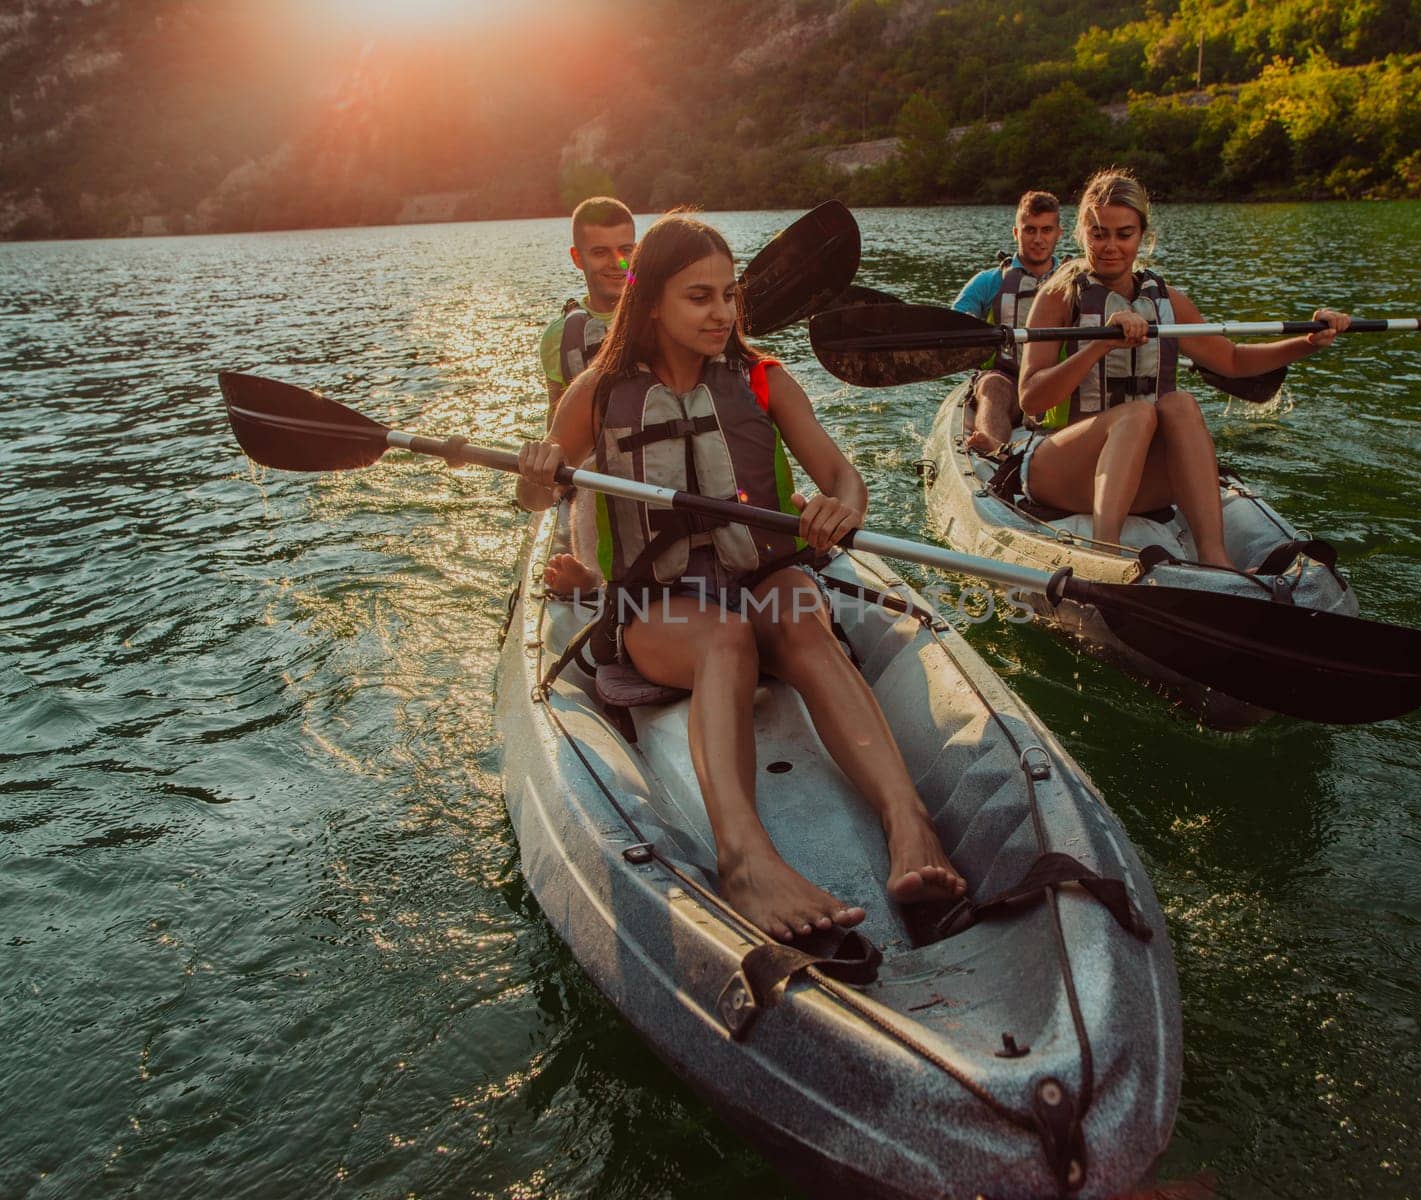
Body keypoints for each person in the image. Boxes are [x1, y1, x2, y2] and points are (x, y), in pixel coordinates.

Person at [516, 212, 965, 942]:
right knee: (726, 637)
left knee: (798, 618)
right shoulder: (596, 394)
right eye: (700, 297)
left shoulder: (762, 378)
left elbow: (843, 480)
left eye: (729, 295)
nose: (722, 311)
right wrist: (537, 474)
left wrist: (835, 511)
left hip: (761, 572)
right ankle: (747, 859)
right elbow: (535, 497)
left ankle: (910, 825)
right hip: (659, 605)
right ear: (652, 301)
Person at [1015, 169, 1351, 567]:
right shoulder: (1059, 296)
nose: (1110, 246)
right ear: (1082, 232)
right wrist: (1099, 345)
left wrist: (1308, 343)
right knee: (1137, 415)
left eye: (1124, 234)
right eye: (1098, 233)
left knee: (1180, 404)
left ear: (1143, 236)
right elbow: (1031, 398)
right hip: (1062, 470)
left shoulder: (1166, 300)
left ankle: (1215, 558)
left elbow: (1232, 359)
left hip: (1138, 478)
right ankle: (1105, 551)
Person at [538, 197, 636, 593]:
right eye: (600, 252)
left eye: (626, 250)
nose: (616, 262)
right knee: (595, 472)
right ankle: (592, 578)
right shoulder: (560, 336)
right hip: (600, 467)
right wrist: (553, 470)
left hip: (661, 457)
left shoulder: (666, 311)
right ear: (578, 258)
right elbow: (556, 411)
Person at [952, 190, 1063, 455]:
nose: (1038, 239)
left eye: (1046, 230)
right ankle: (993, 449)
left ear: (1059, 233)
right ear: (1016, 233)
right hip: (1007, 381)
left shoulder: (1077, 281)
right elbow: (955, 322)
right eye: (1029, 230)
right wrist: (969, 327)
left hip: (1059, 385)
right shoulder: (988, 282)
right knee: (992, 385)